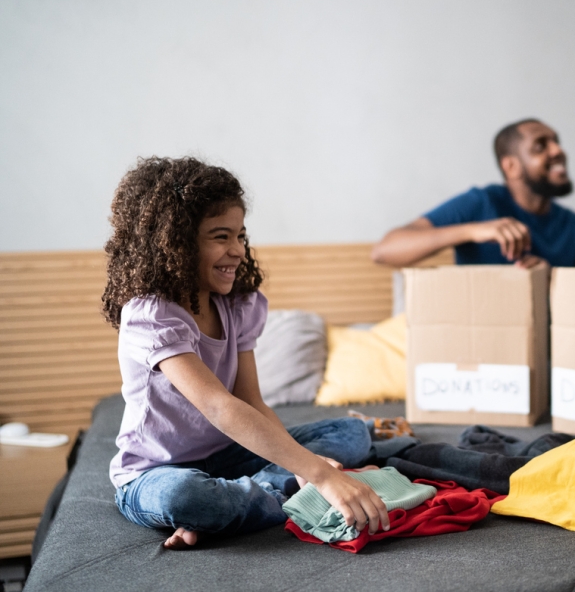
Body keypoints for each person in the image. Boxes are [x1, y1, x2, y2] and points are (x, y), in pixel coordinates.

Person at [102, 157, 389, 549]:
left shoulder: (237, 305)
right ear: (176, 243)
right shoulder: (152, 316)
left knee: (349, 433)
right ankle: (269, 498)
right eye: (221, 237)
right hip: (157, 472)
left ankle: (240, 506)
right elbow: (220, 406)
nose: (237, 250)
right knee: (185, 497)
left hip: (229, 453)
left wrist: (306, 463)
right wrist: (320, 475)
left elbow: (250, 401)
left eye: (240, 235)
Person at [371, 119, 575, 268]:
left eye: (556, 143)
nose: (558, 151)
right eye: (541, 147)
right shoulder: (480, 203)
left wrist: (550, 281)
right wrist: (473, 230)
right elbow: (384, 251)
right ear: (511, 167)